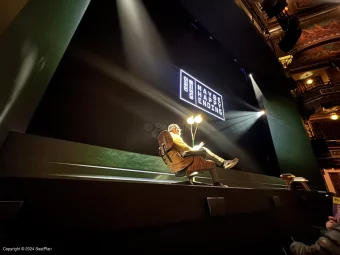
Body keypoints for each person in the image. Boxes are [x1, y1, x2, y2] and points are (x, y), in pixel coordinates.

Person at [168, 124, 239, 169]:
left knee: (203, 152)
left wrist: (194, 149)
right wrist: (194, 149)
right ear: (174, 129)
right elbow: (184, 148)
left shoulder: (167, 138)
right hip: (184, 157)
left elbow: (181, 148)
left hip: (178, 159)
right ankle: (224, 163)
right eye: (178, 129)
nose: (179, 131)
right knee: (204, 149)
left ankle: (223, 163)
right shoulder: (174, 136)